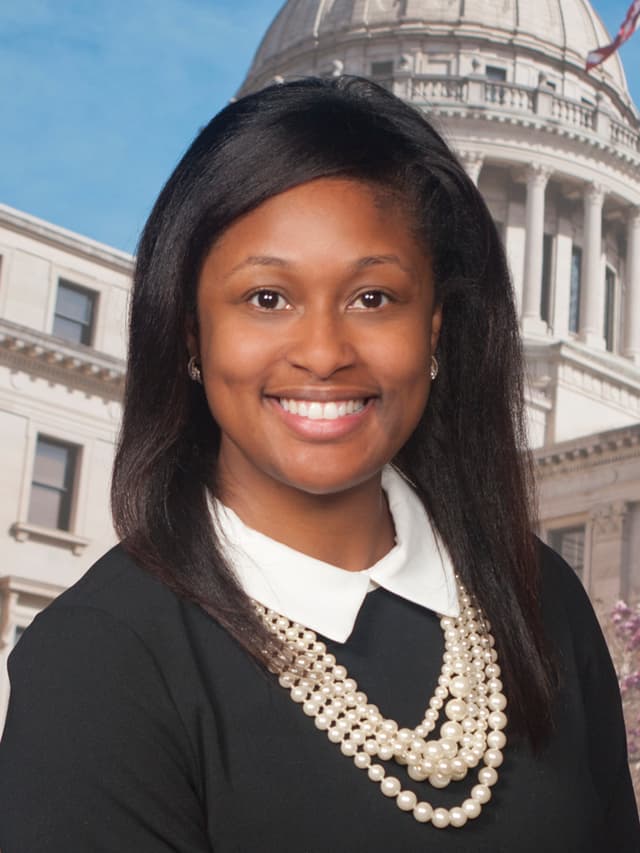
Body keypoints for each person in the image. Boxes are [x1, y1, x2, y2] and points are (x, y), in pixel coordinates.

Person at [0, 76, 638, 853]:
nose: (325, 353)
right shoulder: (97, 663)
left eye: (374, 297)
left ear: (435, 328)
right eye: (267, 297)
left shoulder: (542, 600)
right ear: (191, 333)